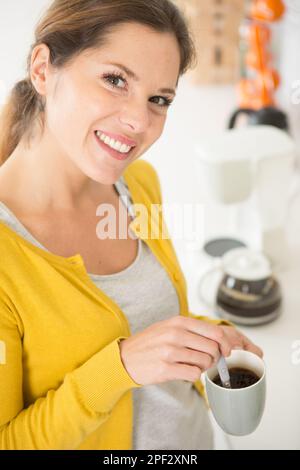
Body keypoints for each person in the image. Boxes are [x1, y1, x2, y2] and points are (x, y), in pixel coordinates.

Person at [0, 0, 263, 450]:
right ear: (42, 69)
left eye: (159, 99)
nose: (139, 122)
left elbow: (149, 315)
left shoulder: (138, 185)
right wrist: (120, 367)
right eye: (115, 80)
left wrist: (201, 333)